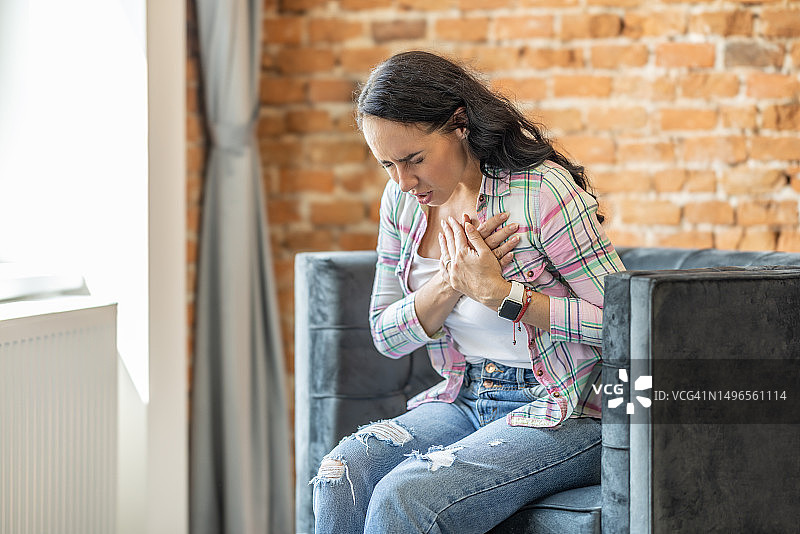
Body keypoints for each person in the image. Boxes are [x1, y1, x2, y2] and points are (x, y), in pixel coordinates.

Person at [310, 50, 625, 534]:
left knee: (405, 496)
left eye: (414, 159)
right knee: (340, 475)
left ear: (459, 123)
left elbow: (621, 324)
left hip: (564, 406)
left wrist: (504, 295)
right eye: (386, 164)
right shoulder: (401, 202)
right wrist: (453, 281)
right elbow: (385, 334)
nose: (403, 181)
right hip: (464, 394)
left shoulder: (540, 191)